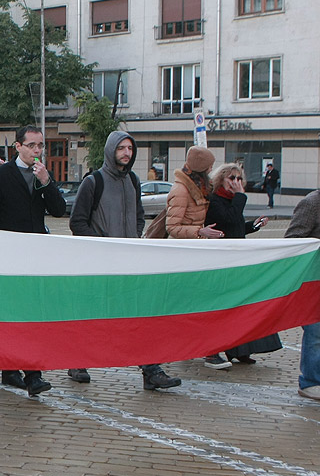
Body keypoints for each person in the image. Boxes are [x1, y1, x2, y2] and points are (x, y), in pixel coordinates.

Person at [68, 131, 182, 390]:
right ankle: (76, 361)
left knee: (140, 316)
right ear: (111, 150)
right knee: (93, 317)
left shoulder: (133, 181)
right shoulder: (93, 181)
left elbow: (139, 215)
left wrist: (133, 237)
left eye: (130, 148)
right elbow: (77, 221)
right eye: (121, 148)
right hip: (100, 264)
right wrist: (103, 243)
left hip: (130, 263)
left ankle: (151, 371)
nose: (126, 153)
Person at [0, 125, 66, 396]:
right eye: (31, 145)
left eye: (40, 146)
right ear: (18, 147)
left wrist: (46, 182)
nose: (37, 151)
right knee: (13, 315)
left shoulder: (42, 174)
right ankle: (20, 371)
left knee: (32, 314)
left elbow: (59, 210)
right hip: (8, 255)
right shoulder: (2, 175)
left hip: (36, 255)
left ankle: (29, 373)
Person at [204, 164, 280, 365]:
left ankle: (241, 348)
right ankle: (216, 350)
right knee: (225, 308)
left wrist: (253, 226)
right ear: (221, 179)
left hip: (238, 261)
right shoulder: (216, 201)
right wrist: (241, 196)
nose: (236, 182)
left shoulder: (232, 201)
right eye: (231, 178)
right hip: (221, 263)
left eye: (239, 178)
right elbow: (226, 220)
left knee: (243, 305)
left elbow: (236, 227)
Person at [165, 146, 229, 368]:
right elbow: (172, 227)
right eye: (209, 166)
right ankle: (202, 350)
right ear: (202, 168)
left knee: (199, 304)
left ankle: (201, 348)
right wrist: (199, 232)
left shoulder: (200, 187)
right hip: (183, 255)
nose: (212, 169)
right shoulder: (182, 190)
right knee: (192, 305)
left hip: (196, 252)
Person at [285, 189, 320, 401]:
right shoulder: (312, 203)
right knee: (316, 333)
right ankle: (311, 381)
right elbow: (292, 240)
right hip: (315, 281)